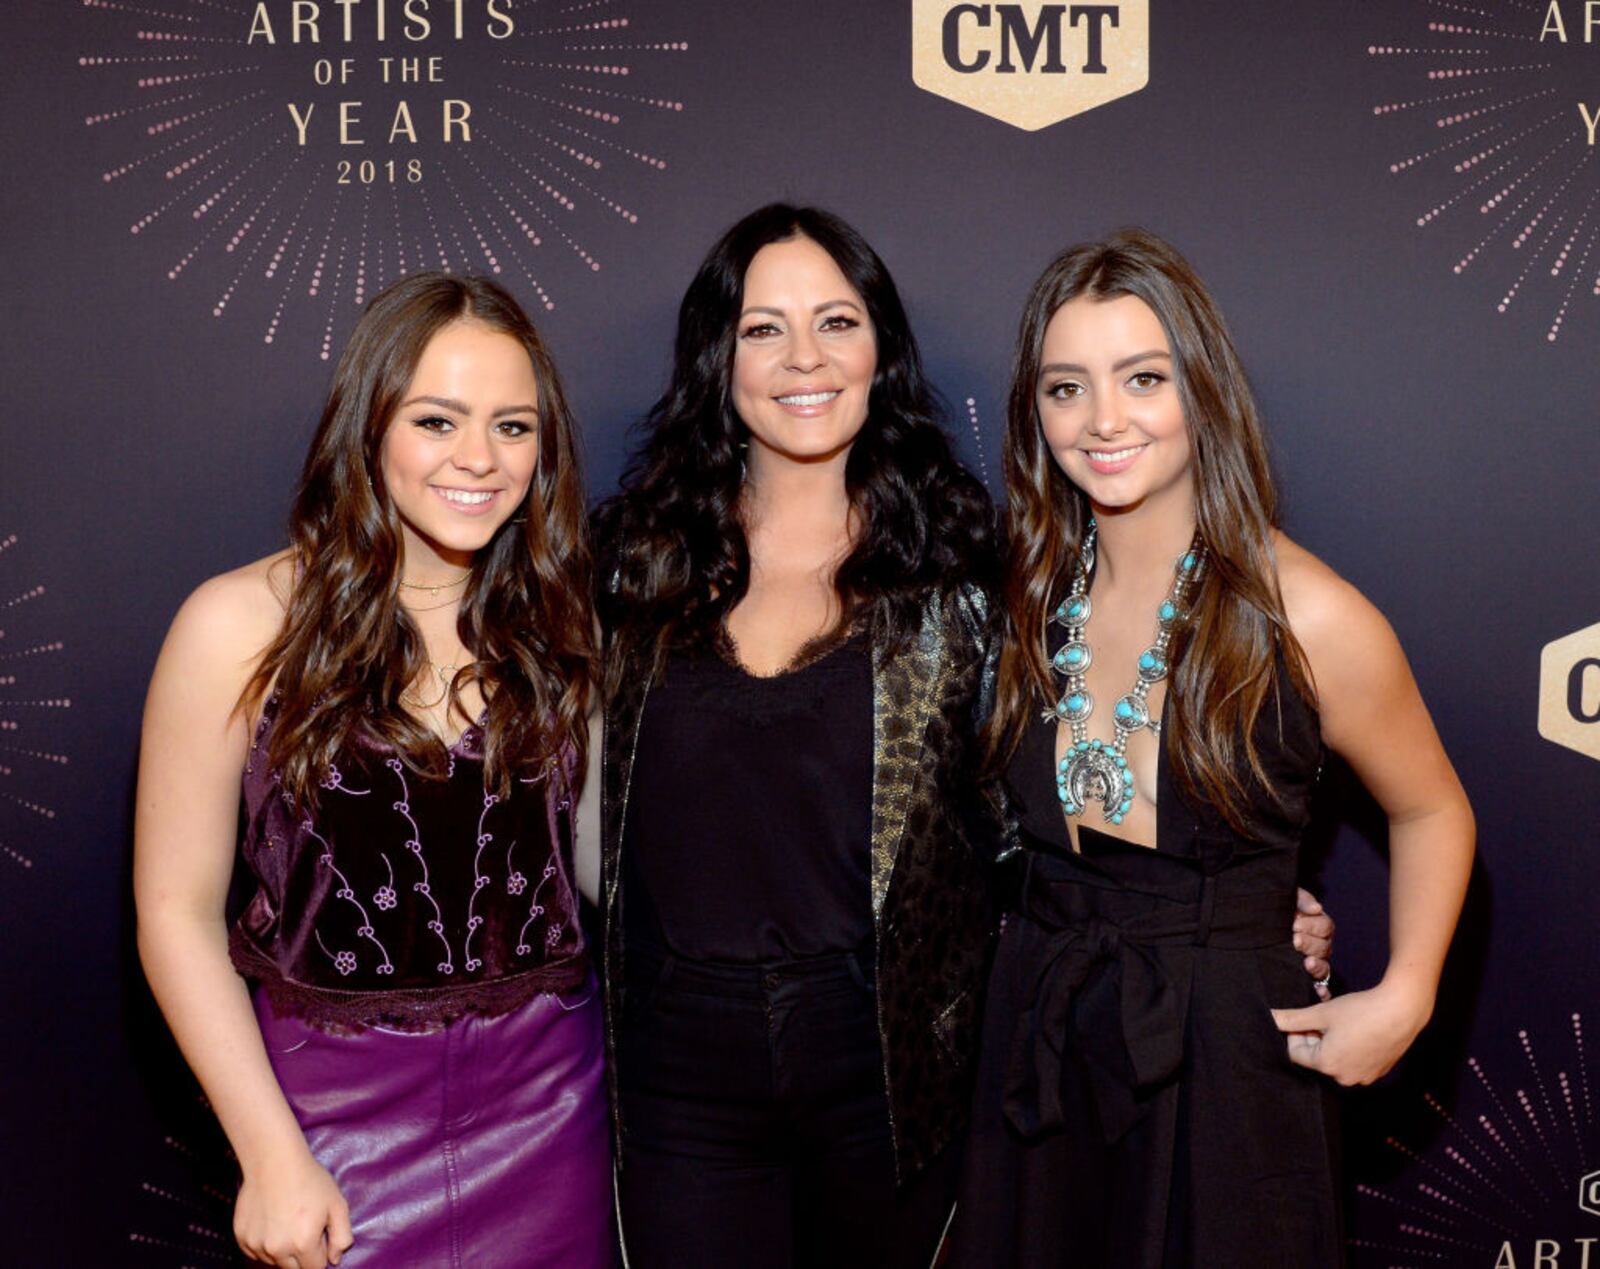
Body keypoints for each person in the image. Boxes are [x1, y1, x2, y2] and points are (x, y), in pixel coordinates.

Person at [588, 206, 1336, 1268]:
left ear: (880, 349)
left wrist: (1249, 906)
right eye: (763, 328)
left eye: (836, 321)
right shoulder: (627, 569)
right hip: (675, 1078)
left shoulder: (968, 567)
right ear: (717, 353)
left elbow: (1039, 802)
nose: (804, 357)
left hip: (895, 1070)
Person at [951, 229, 1476, 1267]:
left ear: (1200, 389)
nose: (1103, 420)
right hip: (1042, 1034)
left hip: (1231, 1060)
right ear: (1033, 412)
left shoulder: (1310, 614)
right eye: (1066, 387)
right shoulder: (1023, 597)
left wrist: (1406, 994)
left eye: (1141, 377)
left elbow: (1432, 809)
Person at [133, 273, 612, 1268]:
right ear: (369, 425)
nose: (478, 458)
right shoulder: (237, 624)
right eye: (437, 420)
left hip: (552, 1110)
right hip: (330, 1120)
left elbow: (599, 875)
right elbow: (174, 911)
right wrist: (270, 1155)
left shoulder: (563, 627)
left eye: (513, 427)